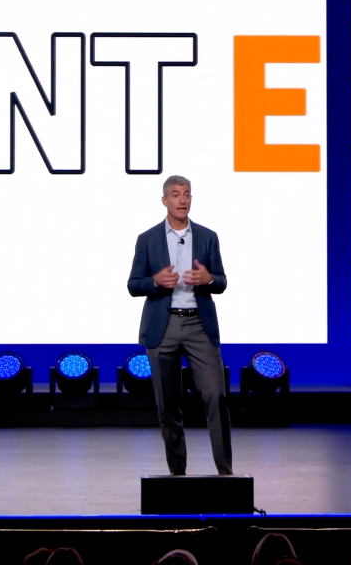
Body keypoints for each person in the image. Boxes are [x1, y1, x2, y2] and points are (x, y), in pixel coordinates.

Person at [127, 175, 232, 476]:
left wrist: (208, 280)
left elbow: (222, 281)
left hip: (199, 325)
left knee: (215, 395)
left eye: (186, 194)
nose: (182, 199)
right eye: (175, 194)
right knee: (168, 405)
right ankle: (177, 473)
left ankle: (226, 472)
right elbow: (133, 285)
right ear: (165, 200)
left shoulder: (208, 237)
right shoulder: (147, 239)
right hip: (163, 326)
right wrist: (155, 281)